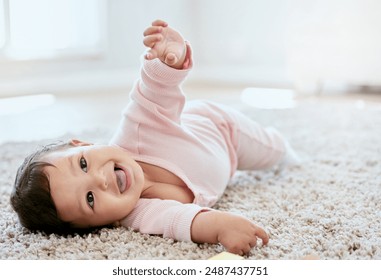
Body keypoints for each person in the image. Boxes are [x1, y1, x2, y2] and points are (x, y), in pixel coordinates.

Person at [10, 19, 298, 256]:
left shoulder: (135, 131)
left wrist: (166, 59)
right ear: (95, 225)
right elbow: (180, 221)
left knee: (274, 151)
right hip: (221, 167)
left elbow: (151, 93)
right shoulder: (136, 214)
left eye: (83, 165)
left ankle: (290, 150)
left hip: (221, 129)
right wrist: (221, 224)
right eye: (89, 198)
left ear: (83, 144)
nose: (100, 180)